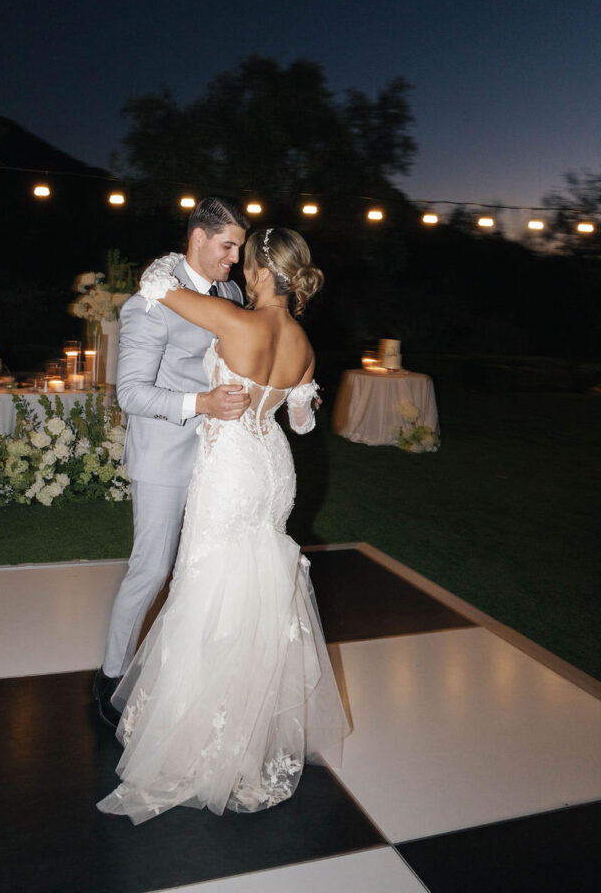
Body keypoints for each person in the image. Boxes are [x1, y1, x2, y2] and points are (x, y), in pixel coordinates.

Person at [97, 228, 351, 824]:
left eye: (247, 260)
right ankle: (249, 728)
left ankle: (196, 733)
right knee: (259, 582)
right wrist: (294, 396)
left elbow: (157, 285)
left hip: (231, 466)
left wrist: (181, 256)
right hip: (274, 467)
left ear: (262, 273)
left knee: (207, 584)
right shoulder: (302, 340)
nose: (238, 266)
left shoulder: (234, 322)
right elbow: (302, 420)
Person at [93, 196, 251, 728]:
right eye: (227, 247)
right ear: (199, 237)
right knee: (152, 568)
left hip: (221, 454)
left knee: (203, 567)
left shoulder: (230, 293)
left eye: (239, 249)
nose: (234, 259)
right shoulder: (148, 302)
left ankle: (188, 675)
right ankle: (111, 675)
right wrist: (201, 405)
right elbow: (130, 394)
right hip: (163, 453)